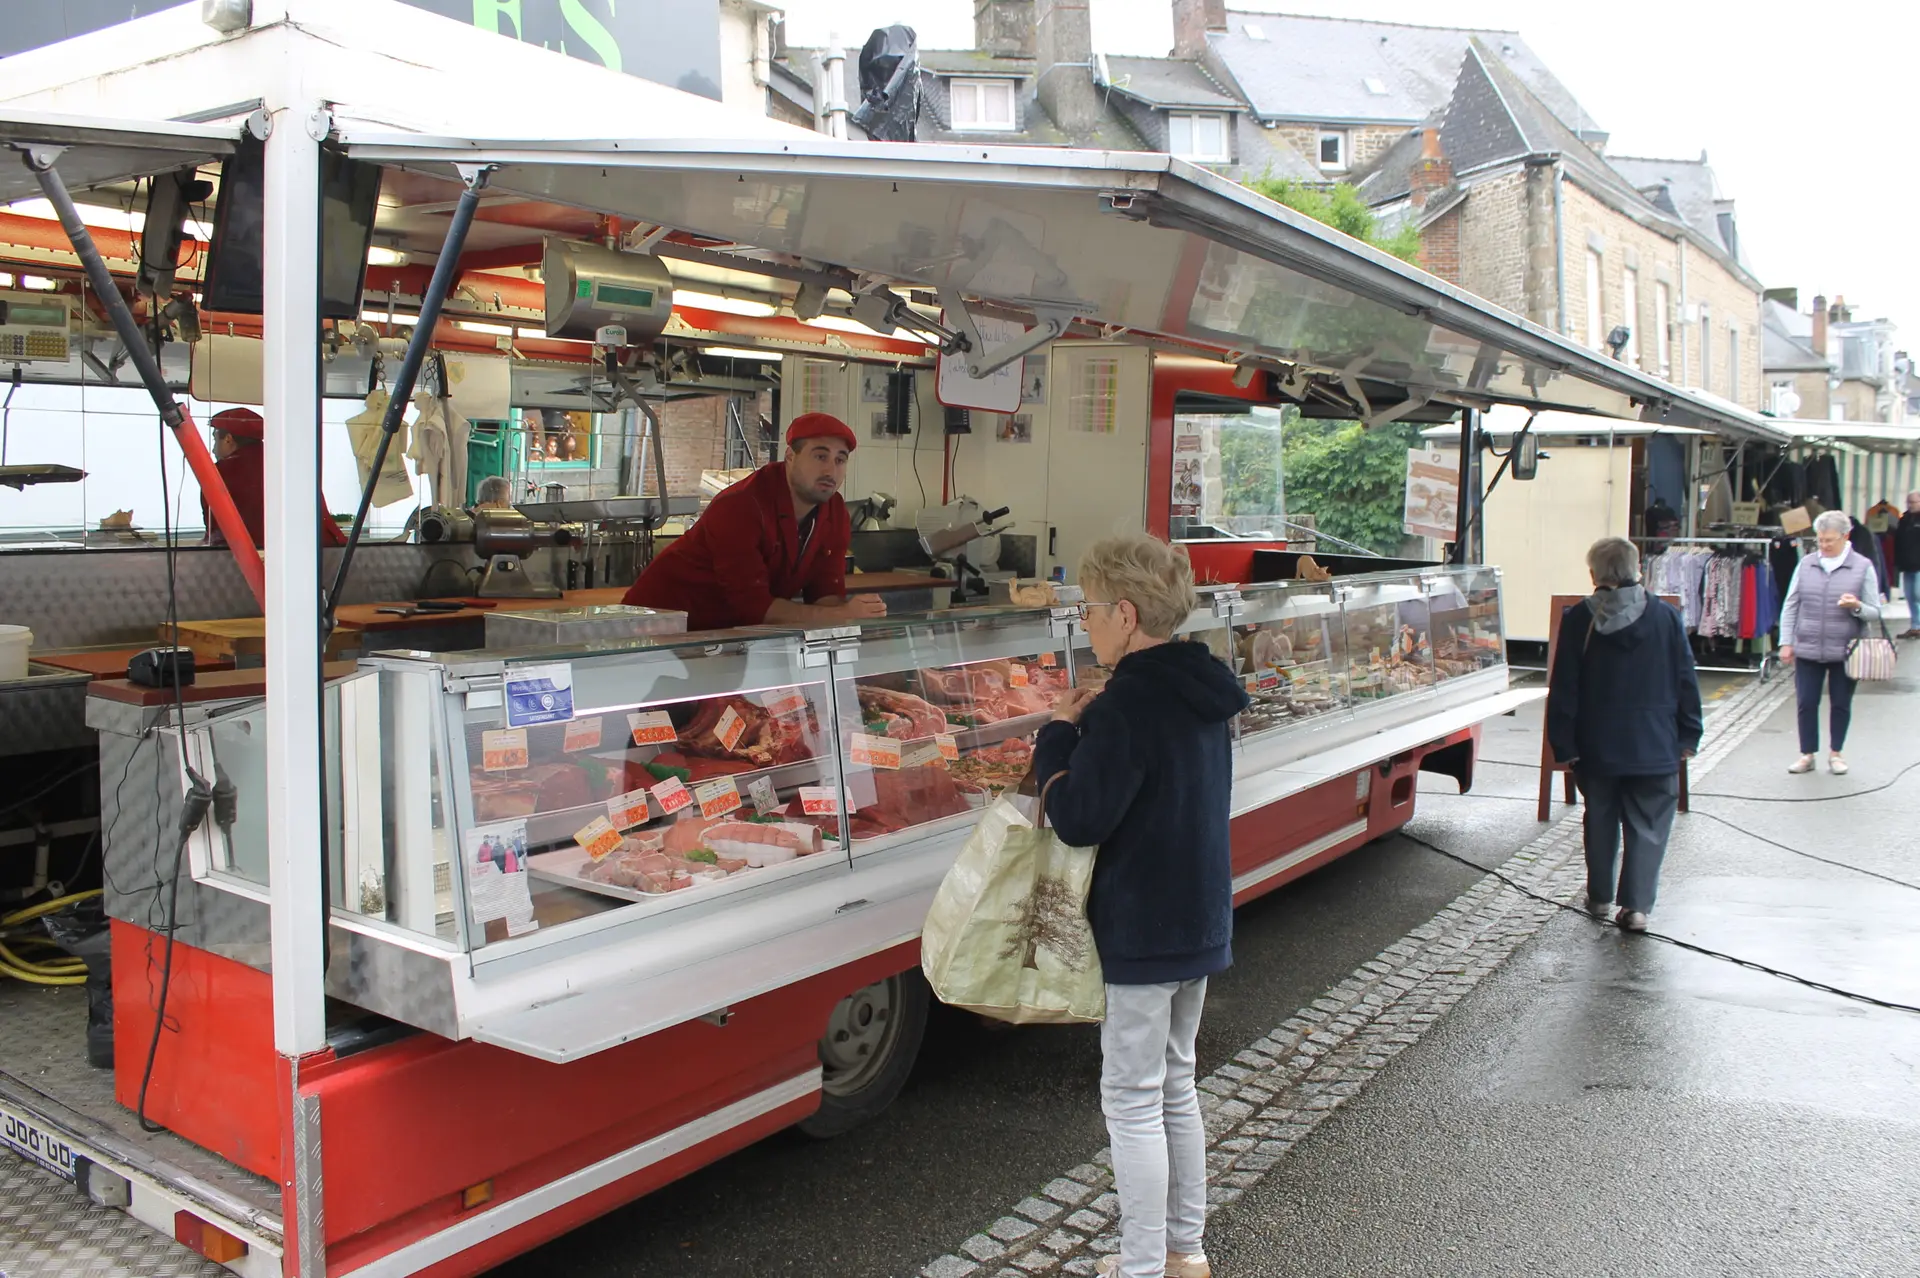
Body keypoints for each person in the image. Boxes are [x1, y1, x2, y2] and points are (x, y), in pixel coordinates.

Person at [1032, 534, 1249, 1278]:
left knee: (1130, 1101)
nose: (1086, 622)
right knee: (1177, 1084)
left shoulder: (1126, 702)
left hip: (1141, 923)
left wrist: (1057, 740)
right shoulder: (1205, 684)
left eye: (1090, 609)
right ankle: (1186, 1253)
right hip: (1200, 914)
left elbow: (1082, 817)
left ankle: (1140, 1268)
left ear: (1125, 614)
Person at [1546, 536, 1702, 933]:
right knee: (1649, 826)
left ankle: (1599, 896)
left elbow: (1565, 685)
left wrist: (1563, 743)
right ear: (1638, 570)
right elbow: (1686, 679)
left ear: (1594, 573)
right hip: (1656, 743)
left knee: (1599, 819)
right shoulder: (1665, 617)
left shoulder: (1579, 619)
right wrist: (1689, 736)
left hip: (1597, 745)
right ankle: (1635, 909)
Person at [620, 413, 886, 629]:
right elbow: (753, 606)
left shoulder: (834, 511)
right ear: (790, 457)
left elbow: (825, 592)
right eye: (820, 456)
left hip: (725, 633)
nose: (831, 470)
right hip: (657, 626)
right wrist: (841, 615)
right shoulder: (740, 505)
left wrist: (850, 617)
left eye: (840, 460)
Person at [1781, 509, 1882, 775]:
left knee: (1840, 703)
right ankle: (1807, 754)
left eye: (1829, 540)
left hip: (1846, 648)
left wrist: (1857, 606)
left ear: (1845, 536)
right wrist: (1786, 641)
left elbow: (1875, 610)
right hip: (1808, 645)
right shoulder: (1806, 563)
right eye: (1820, 540)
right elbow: (1791, 604)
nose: (1823, 545)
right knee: (1805, 702)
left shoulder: (1862, 566)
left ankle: (1836, 753)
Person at [201, 407, 348, 548]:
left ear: (228, 439)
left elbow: (217, 531)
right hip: (319, 552)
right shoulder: (290, 463)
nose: (213, 449)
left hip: (260, 558)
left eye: (215, 440)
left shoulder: (220, 473)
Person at [1894, 491, 1920, 638]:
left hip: (1918, 565)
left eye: (1913, 502)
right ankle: (1915, 625)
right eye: (1908, 502)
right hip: (1907, 564)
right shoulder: (1904, 519)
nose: (1910, 505)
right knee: (1910, 596)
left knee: (1918, 595)